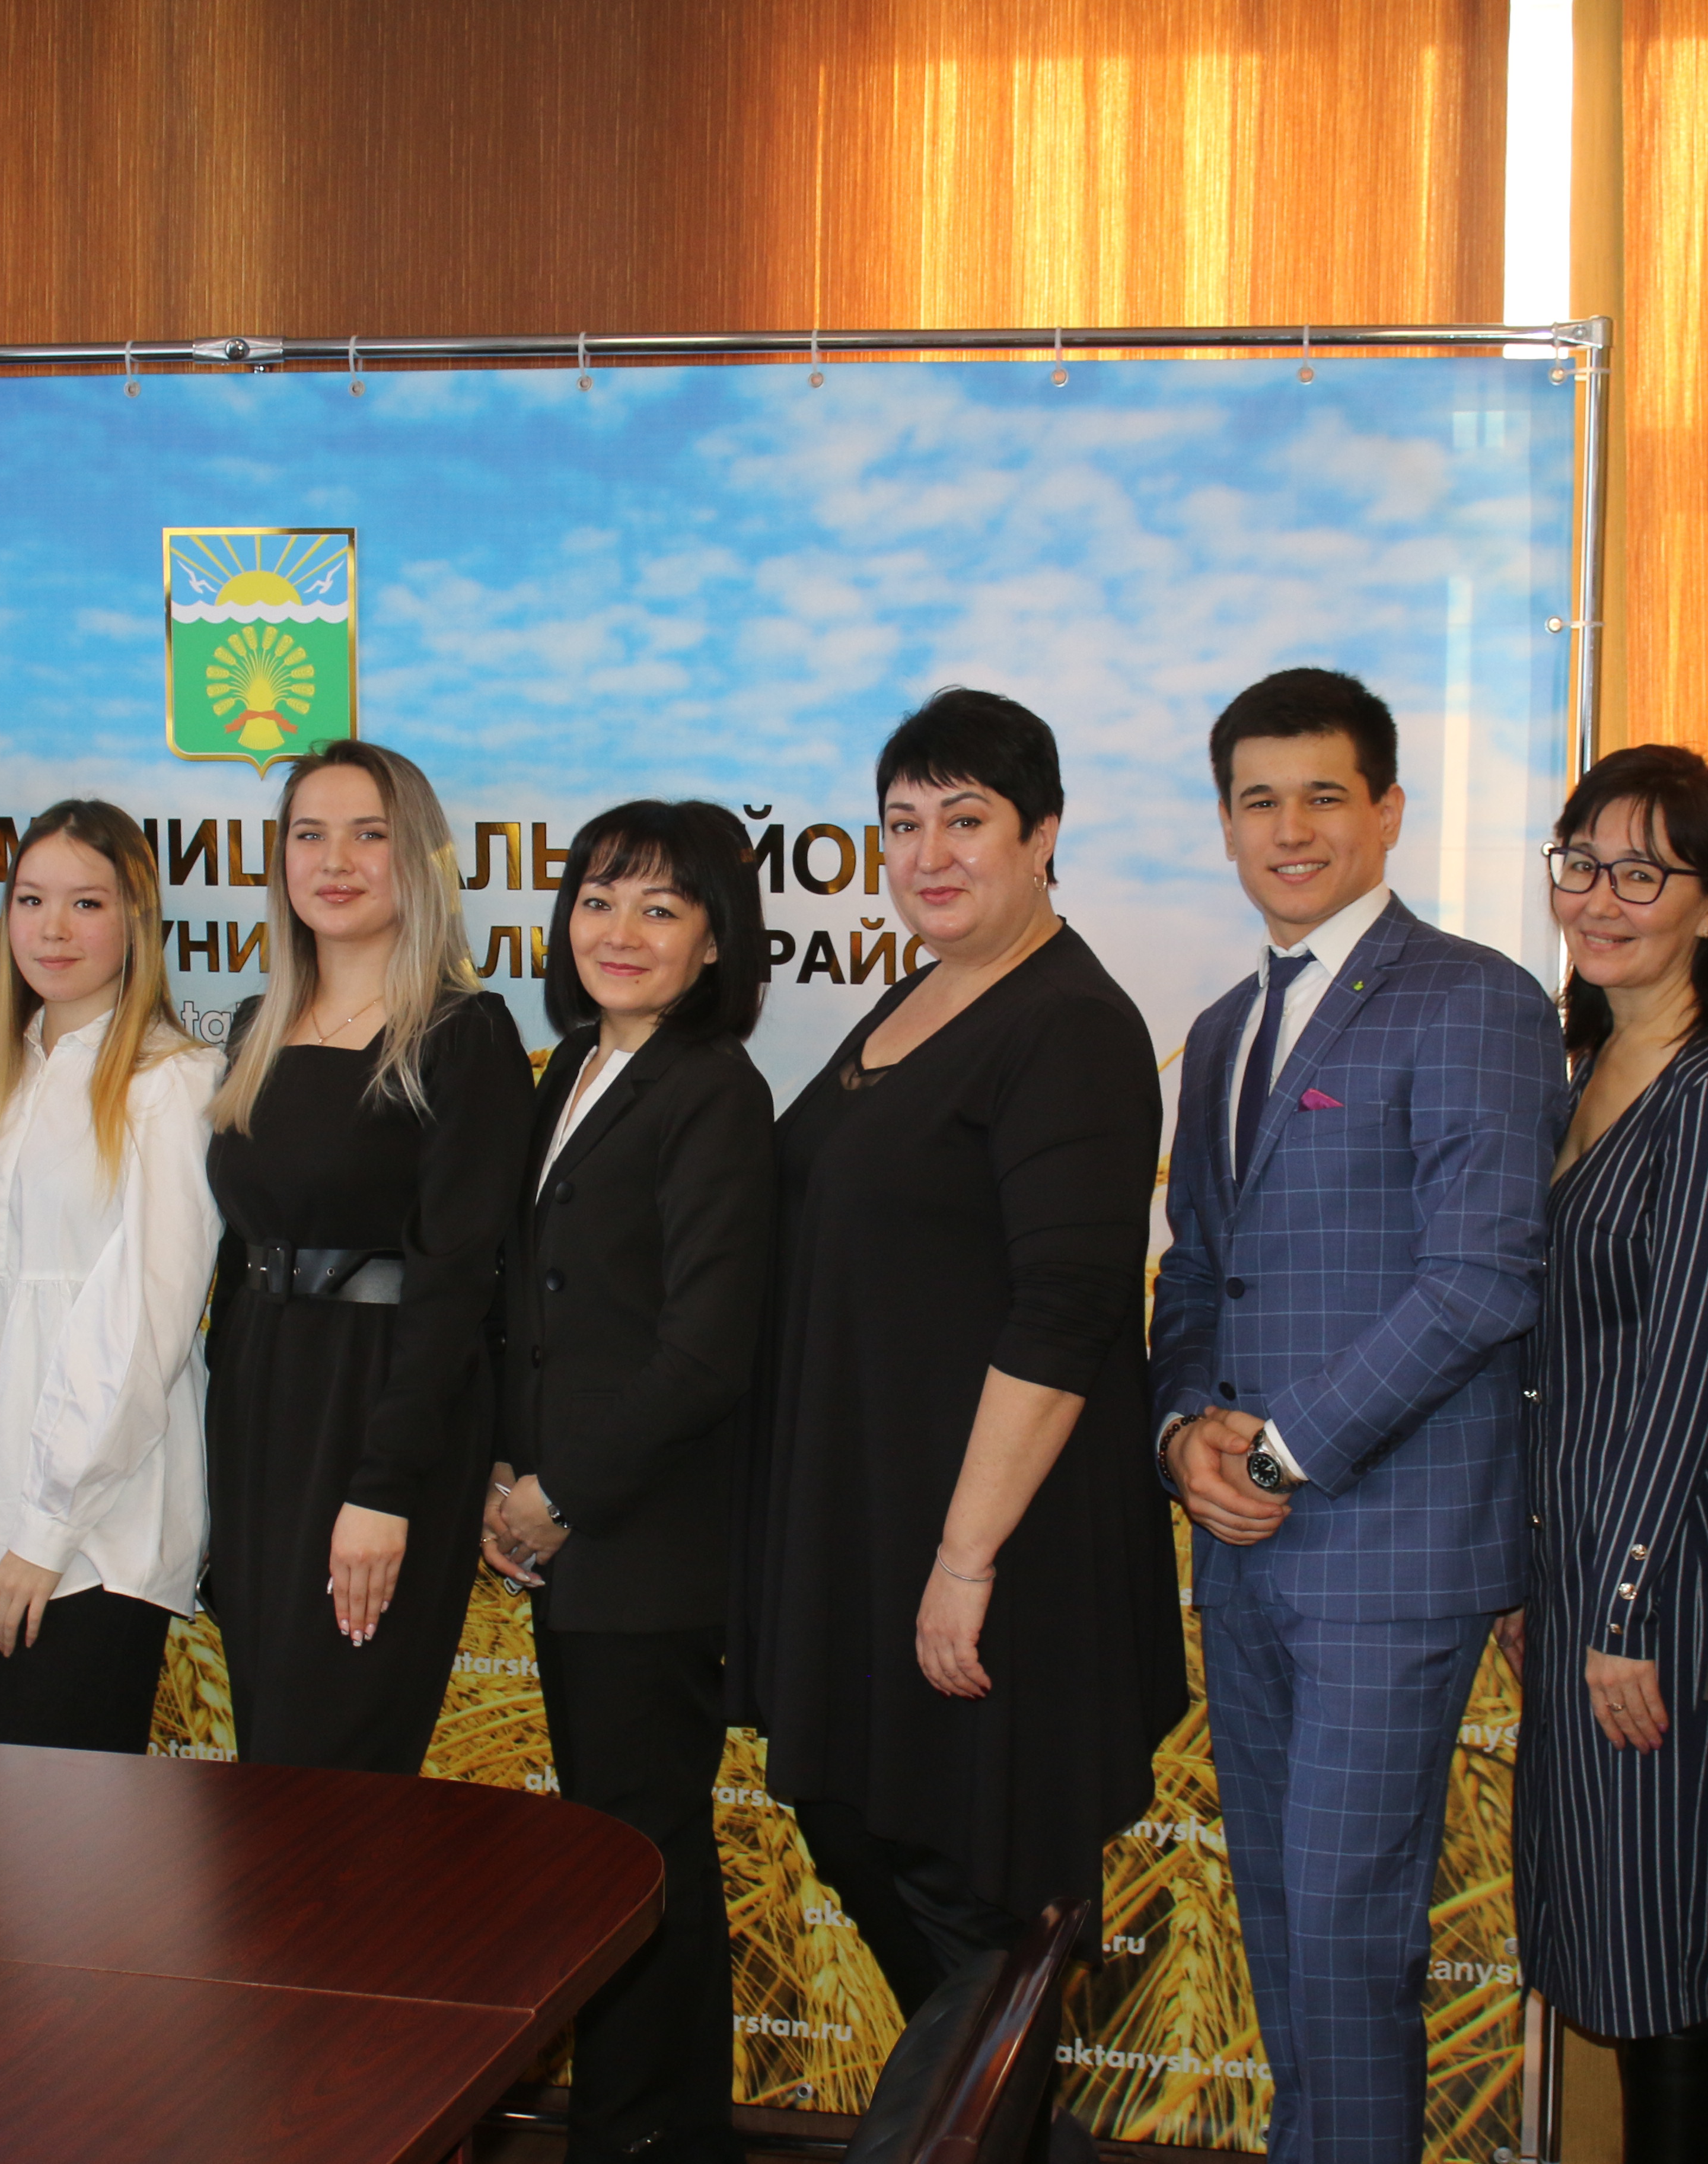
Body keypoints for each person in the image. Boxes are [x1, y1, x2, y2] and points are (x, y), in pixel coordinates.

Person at [1150, 667, 1564, 2164]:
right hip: (1245, 1555)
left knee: (1345, 1934)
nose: (1291, 828)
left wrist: (1279, 1449)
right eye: (1258, 800)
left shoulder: (1475, 1000)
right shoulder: (1221, 1029)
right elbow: (1197, 1271)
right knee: (1281, 1926)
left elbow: (1482, 1280)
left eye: (1324, 795)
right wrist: (1182, 1432)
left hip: (1390, 1556)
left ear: (1388, 811)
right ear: (1225, 824)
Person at [733, 688, 1186, 2025]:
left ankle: (994, 2118)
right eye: (902, 824)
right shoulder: (923, 994)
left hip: (995, 1554)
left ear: (1043, 835)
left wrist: (965, 1558)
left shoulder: (1071, 1024)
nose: (928, 854)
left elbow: (1067, 1311)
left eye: (966, 820)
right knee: (871, 1841)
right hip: (880, 1525)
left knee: (970, 1895)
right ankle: (979, 2114)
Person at [1511, 746, 1708, 2163]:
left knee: (1667, 1953)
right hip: (1575, 1576)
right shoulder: (1582, 1063)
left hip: (1663, 1589)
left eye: (1644, 873)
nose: (1601, 899)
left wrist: (1621, 1611)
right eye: (1582, 864)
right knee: (1600, 1930)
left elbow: (1689, 1374)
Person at [482, 798, 774, 2164]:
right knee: (629, 1851)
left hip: (648, 1543)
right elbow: (537, 1303)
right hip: (575, 1532)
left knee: (641, 1855)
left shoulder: (715, 1092)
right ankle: (663, 2131)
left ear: (715, 942)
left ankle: (637, 2134)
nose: (620, 930)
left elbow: (705, 1349)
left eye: (662, 907)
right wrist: (506, 1465)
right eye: (599, 898)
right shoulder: (572, 1071)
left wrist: (560, 1496)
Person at [203, 740, 531, 1774]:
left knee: (332, 1762)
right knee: (270, 1756)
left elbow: (457, 1281)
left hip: (384, 1413)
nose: (335, 861)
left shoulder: (464, 1034)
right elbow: (237, 1254)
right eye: (310, 834)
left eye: (368, 834)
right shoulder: (256, 1026)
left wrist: (386, 1487)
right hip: (260, 1406)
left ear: (419, 856)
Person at [0, 802, 218, 1754]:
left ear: (137, 922)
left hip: (92, 1531)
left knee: (63, 1820)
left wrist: (48, 1529)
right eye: (31, 900)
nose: (53, 929)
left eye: (87, 903)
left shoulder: (172, 1081)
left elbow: (147, 1325)